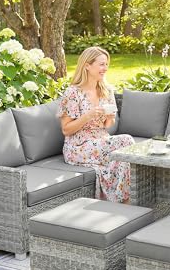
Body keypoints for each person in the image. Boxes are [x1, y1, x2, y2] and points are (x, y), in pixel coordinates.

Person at [57, 46, 134, 203]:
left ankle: (121, 199)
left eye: (106, 64)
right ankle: (123, 200)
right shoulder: (73, 93)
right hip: (78, 146)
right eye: (101, 64)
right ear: (87, 65)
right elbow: (66, 129)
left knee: (126, 154)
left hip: (100, 141)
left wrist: (110, 117)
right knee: (126, 141)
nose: (105, 68)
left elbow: (107, 125)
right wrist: (88, 116)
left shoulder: (106, 90)